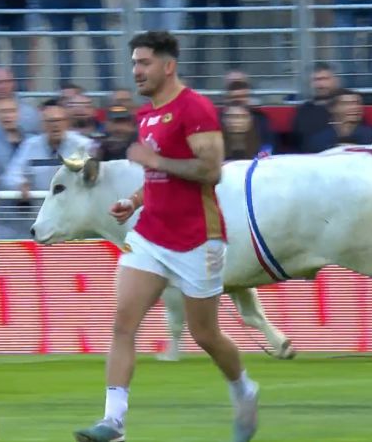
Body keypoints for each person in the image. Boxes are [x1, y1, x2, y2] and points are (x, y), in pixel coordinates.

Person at [73, 30, 259, 442]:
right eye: (135, 62)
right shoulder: (148, 114)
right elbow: (160, 176)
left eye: (144, 63)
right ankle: (113, 422)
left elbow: (210, 171)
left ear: (168, 65)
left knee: (205, 334)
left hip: (198, 237)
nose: (136, 71)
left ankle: (244, 389)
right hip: (151, 234)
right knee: (123, 323)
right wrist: (136, 199)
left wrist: (154, 158)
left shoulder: (195, 108)